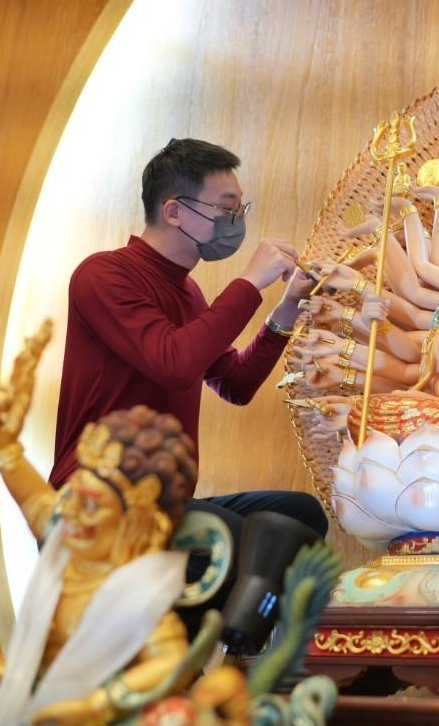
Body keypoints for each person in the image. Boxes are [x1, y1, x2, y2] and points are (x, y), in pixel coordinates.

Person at [49, 138, 328, 630]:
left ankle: (230, 651)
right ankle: (198, 654)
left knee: (298, 517)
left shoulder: (188, 290)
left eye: (239, 209)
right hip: (101, 499)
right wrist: (249, 282)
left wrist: (285, 309)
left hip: (163, 502)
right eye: (225, 208)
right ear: (174, 211)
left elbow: (234, 383)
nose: (235, 220)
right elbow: (174, 362)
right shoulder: (104, 275)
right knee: (239, 545)